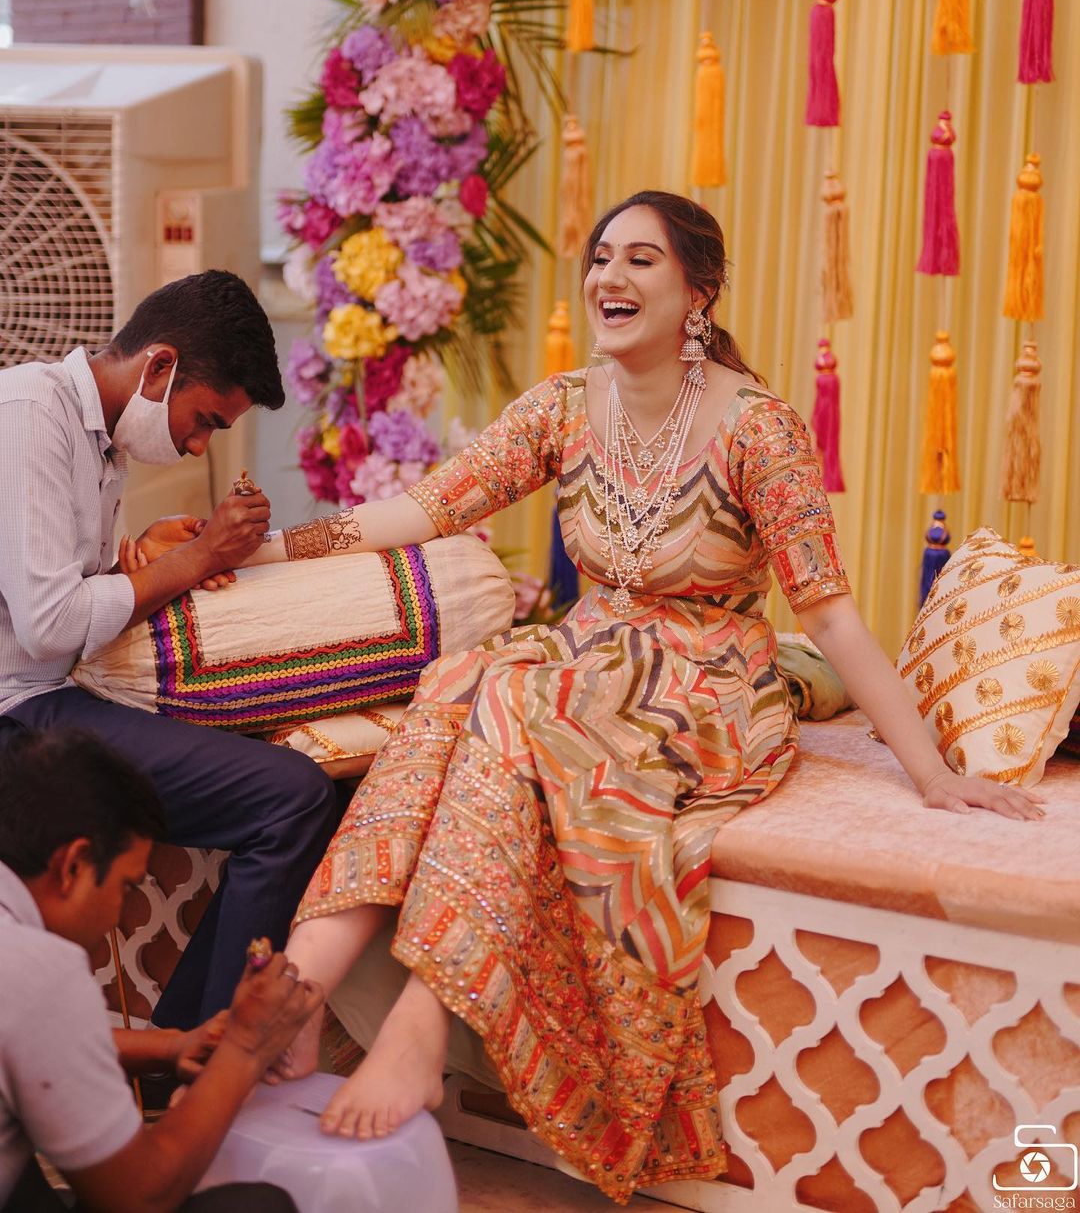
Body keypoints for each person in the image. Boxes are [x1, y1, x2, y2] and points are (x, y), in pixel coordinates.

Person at [144, 194, 1045, 1202]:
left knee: (518, 701)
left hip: (707, 687)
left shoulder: (761, 430)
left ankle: (419, 1023)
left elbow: (830, 618)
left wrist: (932, 773)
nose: (610, 278)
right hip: (584, 661)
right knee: (464, 684)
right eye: (602, 257)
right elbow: (429, 507)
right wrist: (250, 551)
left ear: (698, 293)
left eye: (642, 261)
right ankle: (301, 990)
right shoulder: (567, 404)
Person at [0, 271, 340, 1031]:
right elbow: (48, 626)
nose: (196, 445)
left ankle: (180, 1050)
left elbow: (48, 586)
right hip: (20, 720)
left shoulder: (100, 444)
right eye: (206, 421)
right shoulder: (29, 412)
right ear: (159, 366)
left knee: (309, 777)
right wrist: (190, 563)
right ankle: (209, 1052)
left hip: (52, 697)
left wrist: (138, 557)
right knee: (291, 797)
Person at [0, 727, 324, 1213]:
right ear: (73, 867)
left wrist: (171, 1046)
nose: (119, 912)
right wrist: (245, 1048)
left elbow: (23, 1038)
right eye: (127, 888)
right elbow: (139, 1196)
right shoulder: (38, 967)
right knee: (256, 1206)